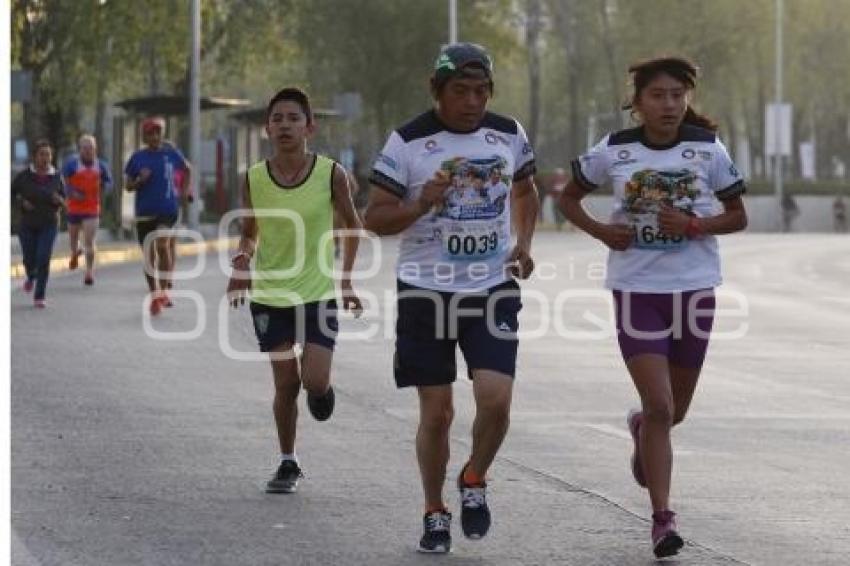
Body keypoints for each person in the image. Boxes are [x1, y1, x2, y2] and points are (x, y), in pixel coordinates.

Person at [558, 56, 747, 558]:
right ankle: (663, 520)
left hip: (694, 290)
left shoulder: (707, 149)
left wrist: (695, 226)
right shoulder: (614, 150)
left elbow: (737, 215)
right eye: (658, 96)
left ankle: (642, 429)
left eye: (677, 96)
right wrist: (602, 231)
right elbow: (568, 197)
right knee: (661, 405)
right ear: (638, 103)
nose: (669, 105)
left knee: (672, 413)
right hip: (637, 292)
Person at [365, 42, 539, 554]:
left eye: (481, 91)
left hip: (491, 286)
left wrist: (523, 244)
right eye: (460, 91)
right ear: (438, 92)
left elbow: (526, 192)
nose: (471, 101)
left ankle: (474, 477)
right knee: (437, 413)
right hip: (425, 289)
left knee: (497, 400)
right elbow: (374, 218)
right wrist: (422, 203)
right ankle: (433, 509)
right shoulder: (408, 141)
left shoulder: (508, 133)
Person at [226, 87, 363, 495]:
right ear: (267, 128)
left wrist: (347, 280)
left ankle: (321, 390)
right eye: (278, 119)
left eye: (293, 118)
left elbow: (352, 226)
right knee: (286, 383)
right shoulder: (253, 178)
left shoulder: (331, 174)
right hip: (271, 296)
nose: (285, 125)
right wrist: (241, 261)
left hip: (318, 292)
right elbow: (250, 233)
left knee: (314, 382)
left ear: (309, 126)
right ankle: (288, 461)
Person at [124, 117, 192, 315]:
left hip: (167, 209)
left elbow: (187, 169)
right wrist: (139, 181)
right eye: (150, 133)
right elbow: (127, 186)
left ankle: (163, 290)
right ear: (144, 136)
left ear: (162, 134)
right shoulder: (137, 158)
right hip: (144, 212)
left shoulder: (171, 153)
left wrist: (185, 192)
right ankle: (154, 294)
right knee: (148, 256)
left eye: (158, 132)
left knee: (162, 245)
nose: (154, 136)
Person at [12, 139, 67, 308]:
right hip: (27, 224)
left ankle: (39, 295)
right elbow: (11, 194)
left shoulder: (57, 176)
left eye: (48, 154)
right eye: (42, 154)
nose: (46, 158)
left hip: (49, 223)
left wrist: (59, 200)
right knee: (29, 258)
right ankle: (30, 276)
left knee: (43, 257)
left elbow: (64, 199)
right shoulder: (23, 176)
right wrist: (21, 203)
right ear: (34, 157)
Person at [62, 134, 113, 285]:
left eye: (91, 148)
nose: (88, 151)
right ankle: (75, 253)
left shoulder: (101, 165)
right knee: (73, 239)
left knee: (89, 241)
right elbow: (61, 181)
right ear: (80, 149)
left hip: (92, 208)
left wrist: (104, 187)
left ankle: (89, 272)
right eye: (84, 148)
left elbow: (109, 182)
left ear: (95, 149)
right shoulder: (72, 164)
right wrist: (71, 192)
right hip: (74, 207)